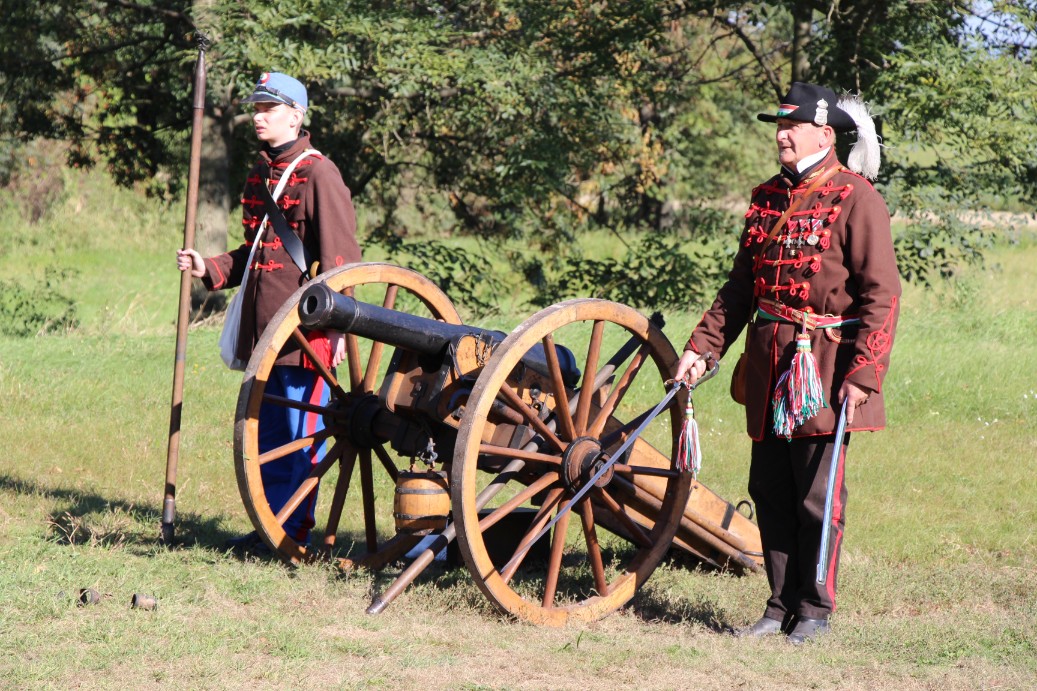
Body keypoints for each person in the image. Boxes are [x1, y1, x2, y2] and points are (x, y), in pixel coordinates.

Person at [675, 82, 901, 644]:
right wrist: (702, 347)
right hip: (769, 364)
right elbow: (739, 289)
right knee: (770, 488)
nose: (781, 135)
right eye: (778, 126)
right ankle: (778, 607)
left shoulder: (858, 198)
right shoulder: (767, 198)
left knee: (816, 495)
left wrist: (863, 373)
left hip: (825, 367)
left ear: (824, 134)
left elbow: (882, 294)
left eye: (792, 126)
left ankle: (814, 610)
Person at [177, 72, 361, 549]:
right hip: (264, 333)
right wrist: (208, 267)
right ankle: (269, 527)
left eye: (269, 109)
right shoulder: (262, 173)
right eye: (256, 109)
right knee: (268, 437)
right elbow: (255, 251)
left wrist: (339, 330)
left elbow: (341, 260)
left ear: (295, 116)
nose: (259, 117)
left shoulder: (319, 174)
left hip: (304, 334)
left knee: (300, 438)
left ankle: (290, 532)